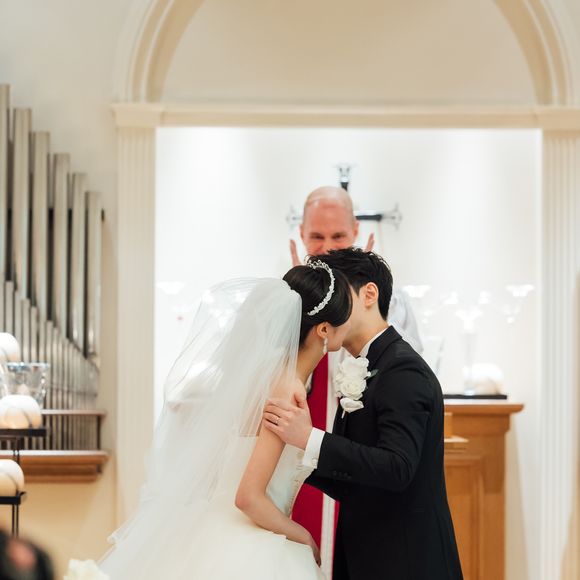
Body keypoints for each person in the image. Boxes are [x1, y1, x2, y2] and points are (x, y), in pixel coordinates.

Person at [96, 264, 352, 579]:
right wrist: (303, 536)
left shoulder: (261, 379)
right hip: (249, 544)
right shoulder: (287, 389)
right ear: (324, 330)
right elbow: (248, 497)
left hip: (213, 527)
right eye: (345, 318)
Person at [264, 248, 463, 580]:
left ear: (370, 294)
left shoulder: (402, 369)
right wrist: (292, 454)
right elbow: (354, 480)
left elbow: (397, 467)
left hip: (407, 562)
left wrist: (311, 439)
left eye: (337, 294)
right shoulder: (364, 365)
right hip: (367, 556)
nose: (330, 306)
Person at [289, 186, 422, 574]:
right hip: (303, 451)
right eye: (317, 237)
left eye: (338, 237)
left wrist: (359, 309)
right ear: (301, 234)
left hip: (362, 461)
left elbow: (400, 378)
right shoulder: (287, 297)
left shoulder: (387, 302)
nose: (327, 249)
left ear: (356, 234)